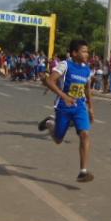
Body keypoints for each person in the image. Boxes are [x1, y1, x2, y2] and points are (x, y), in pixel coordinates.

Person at [40, 40, 95, 183]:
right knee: (58, 140)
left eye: (87, 51)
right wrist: (64, 96)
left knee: (85, 134)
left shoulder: (87, 70)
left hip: (80, 106)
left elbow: (87, 89)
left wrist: (90, 107)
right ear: (74, 53)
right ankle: (49, 123)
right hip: (63, 106)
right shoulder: (65, 65)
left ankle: (83, 171)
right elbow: (50, 81)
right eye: (83, 51)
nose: (86, 54)